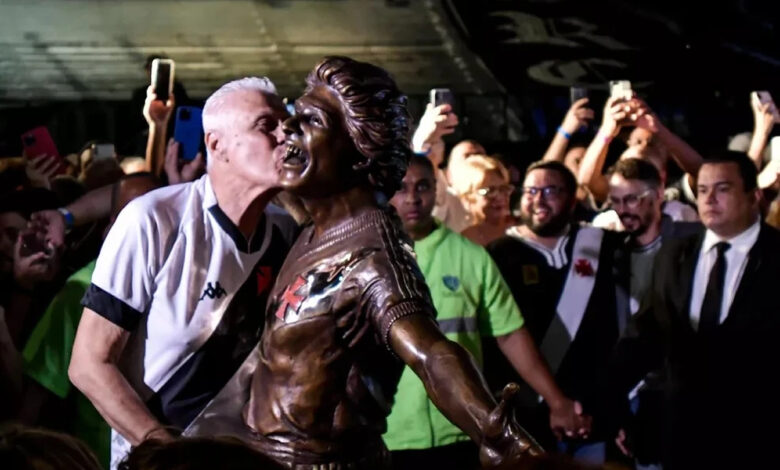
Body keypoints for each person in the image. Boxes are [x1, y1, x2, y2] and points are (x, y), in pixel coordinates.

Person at [188, 56, 542, 469]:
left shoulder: (376, 258)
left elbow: (430, 353)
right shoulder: (315, 225)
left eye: (311, 121)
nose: (288, 127)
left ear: (358, 155)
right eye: (292, 115)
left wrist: (493, 430)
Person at [68, 77, 298, 469]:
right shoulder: (154, 221)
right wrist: (170, 454)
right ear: (215, 144)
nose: (285, 137)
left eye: (287, 125)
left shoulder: (286, 231)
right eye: (267, 126)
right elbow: (88, 365)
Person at [385, 155, 588, 469]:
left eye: (423, 186)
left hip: (462, 428)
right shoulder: (372, 257)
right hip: (389, 430)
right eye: (402, 187)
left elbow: (510, 334)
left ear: (438, 191)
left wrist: (556, 400)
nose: (413, 197)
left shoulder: (470, 255)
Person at [604, 151, 780, 469]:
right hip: (681, 438)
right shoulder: (674, 255)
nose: (709, 198)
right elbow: (644, 336)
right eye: (702, 190)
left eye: (722, 189)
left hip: (761, 439)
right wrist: (607, 403)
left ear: (754, 196)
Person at [487, 161, 630, 465]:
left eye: (551, 190)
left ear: (573, 198)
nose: (539, 198)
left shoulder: (605, 244)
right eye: (531, 190)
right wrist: (554, 403)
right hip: (529, 414)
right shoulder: (497, 254)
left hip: (596, 409)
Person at [18, 174, 161, 468]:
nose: (144, 233)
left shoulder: (185, 286)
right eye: (131, 223)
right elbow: (34, 404)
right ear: (109, 229)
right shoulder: (80, 291)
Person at [602, 158, 699, 469]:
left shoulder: (693, 241)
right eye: (615, 201)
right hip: (637, 402)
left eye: (632, 199)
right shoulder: (612, 252)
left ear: (658, 194)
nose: (623, 209)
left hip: (689, 393)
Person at [411, 102, 486, 232]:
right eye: (467, 157)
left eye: (480, 156)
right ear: (448, 173)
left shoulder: (502, 202)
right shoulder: (444, 197)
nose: (475, 161)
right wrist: (424, 143)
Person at [450, 155, 515, 246]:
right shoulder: (463, 242)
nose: (499, 197)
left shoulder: (522, 231)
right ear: (467, 197)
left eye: (503, 189)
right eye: (489, 191)